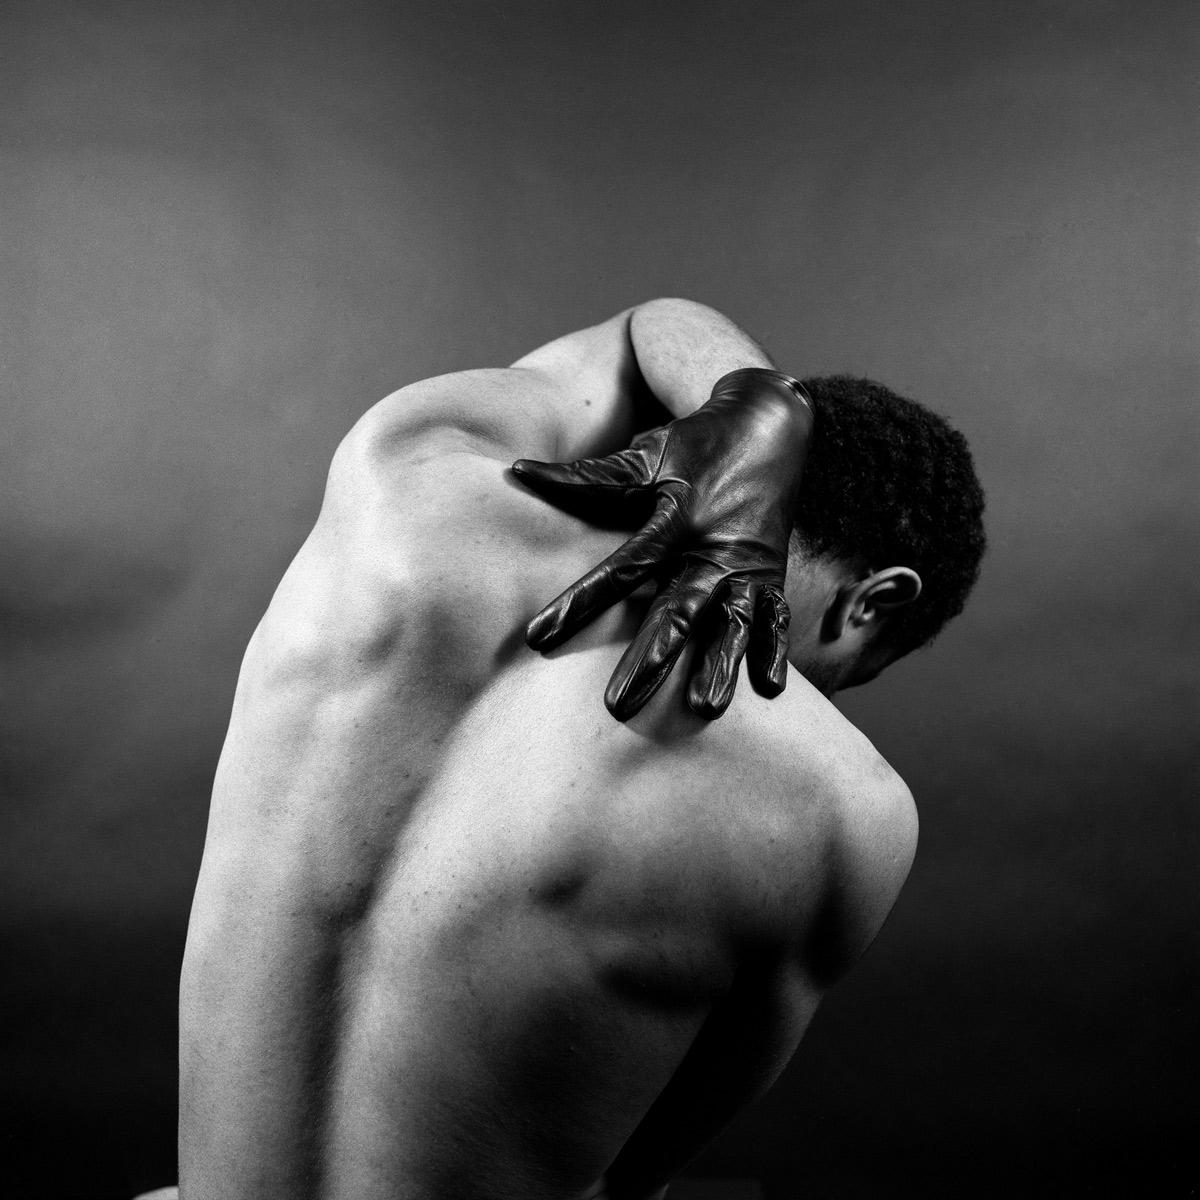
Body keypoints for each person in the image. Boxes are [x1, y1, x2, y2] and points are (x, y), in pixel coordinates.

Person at [173, 298, 986, 1200]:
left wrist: (762, 406)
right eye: (845, 673)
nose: (820, 694)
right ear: (873, 599)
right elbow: (634, 1174)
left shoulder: (406, 475)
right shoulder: (844, 808)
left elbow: (650, 324)